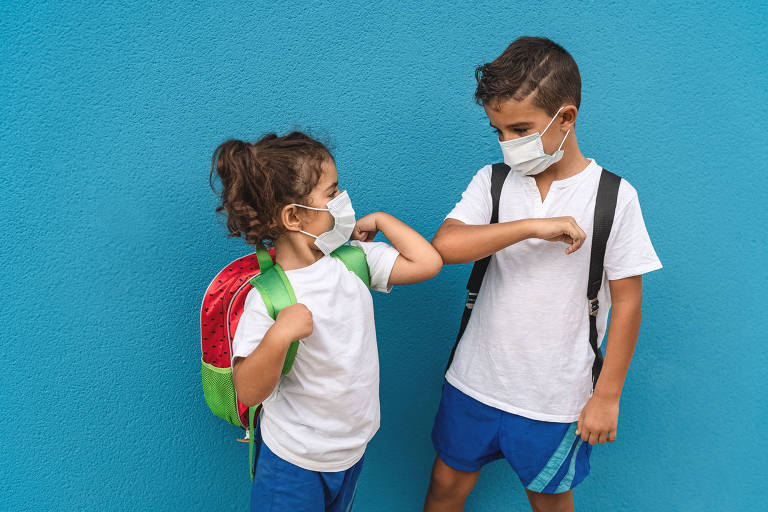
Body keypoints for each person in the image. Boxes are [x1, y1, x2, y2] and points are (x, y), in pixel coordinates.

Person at [424, 37, 662, 512]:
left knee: (549, 502)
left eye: (521, 129)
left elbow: (629, 301)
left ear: (566, 118)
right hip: (474, 380)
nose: (508, 144)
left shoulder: (614, 197)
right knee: (446, 488)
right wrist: (532, 226)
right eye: (498, 132)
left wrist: (608, 395)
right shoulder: (492, 183)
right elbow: (444, 247)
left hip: (556, 399)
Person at [210, 131, 442, 511]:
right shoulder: (269, 295)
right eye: (332, 193)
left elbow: (428, 263)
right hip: (293, 462)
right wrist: (279, 335)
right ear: (293, 216)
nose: (342, 200)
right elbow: (248, 392)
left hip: (350, 452)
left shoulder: (353, 261)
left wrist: (383, 220)